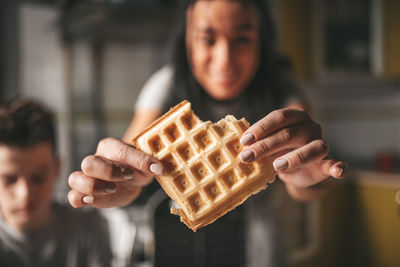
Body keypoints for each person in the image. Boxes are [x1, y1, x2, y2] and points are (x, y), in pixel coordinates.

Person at [68, 0, 348, 266]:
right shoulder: (166, 85)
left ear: (261, 41)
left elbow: (310, 167)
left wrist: (308, 181)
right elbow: (133, 145)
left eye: (242, 39)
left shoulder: (283, 90)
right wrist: (122, 176)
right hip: (178, 249)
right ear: (187, 41)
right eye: (208, 39)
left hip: (259, 249)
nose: (225, 60)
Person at [0, 99, 113, 267]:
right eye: (10, 180)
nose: (25, 193)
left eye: (38, 177)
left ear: (57, 168)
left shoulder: (89, 227)